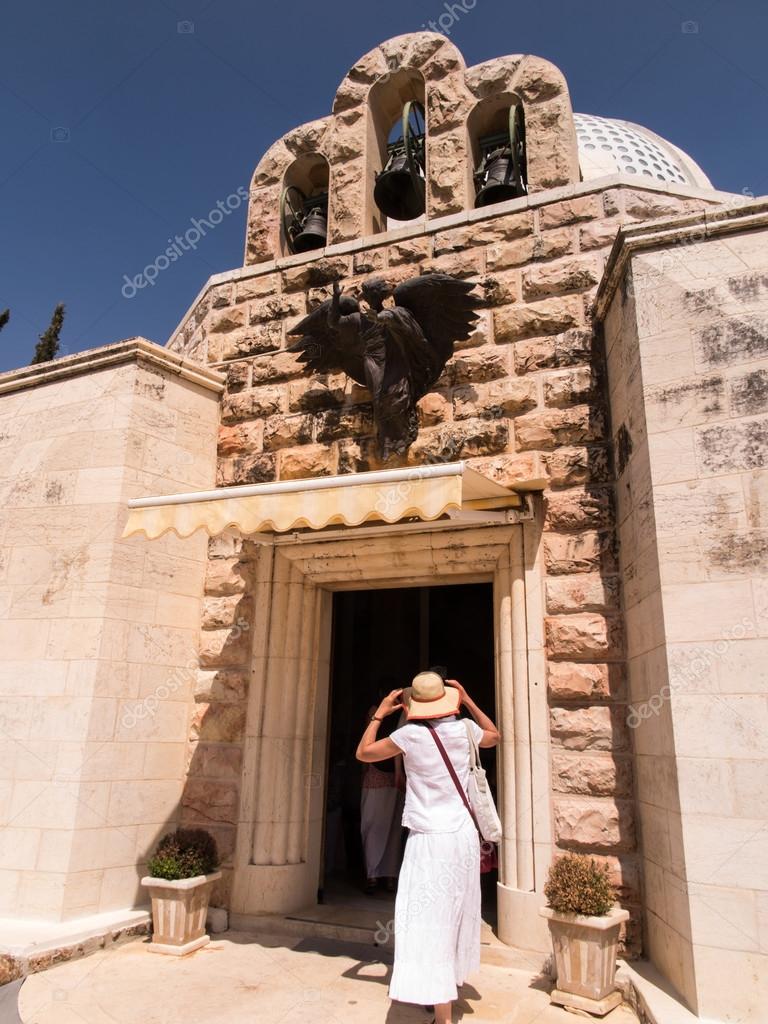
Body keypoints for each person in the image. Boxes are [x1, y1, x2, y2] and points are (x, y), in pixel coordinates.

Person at [356, 670, 500, 1024]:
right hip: (463, 837)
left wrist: (381, 714)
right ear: (447, 700)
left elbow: (363, 753)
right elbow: (495, 736)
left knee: (426, 921)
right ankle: (446, 984)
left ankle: (442, 1013)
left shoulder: (407, 736)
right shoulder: (467, 730)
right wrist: (467, 701)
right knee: (455, 912)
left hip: (429, 841)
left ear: (413, 704)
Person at [359, 702, 405, 894]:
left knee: (380, 827)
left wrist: (397, 774)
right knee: (383, 827)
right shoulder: (389, 715)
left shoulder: (389, 717)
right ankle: (382, 876)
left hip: (387, 776)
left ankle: (379, 876)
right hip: (384, 775)